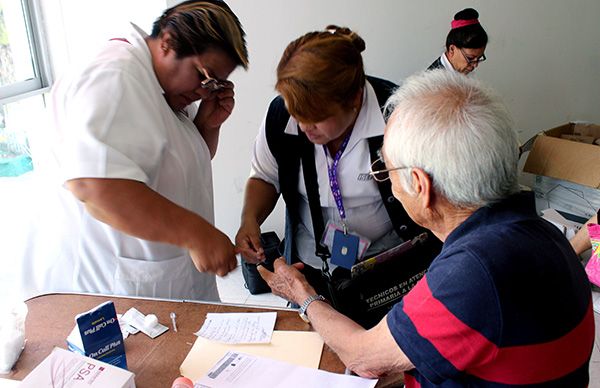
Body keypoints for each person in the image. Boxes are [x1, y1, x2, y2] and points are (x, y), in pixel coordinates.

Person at [257, 70, 595, 386]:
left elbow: (363, 356)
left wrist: (302, 293)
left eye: (385, 168)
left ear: (420, 185)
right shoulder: (542, 233)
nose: (387, 181)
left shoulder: (471, 275)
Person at [19, 0, 249, 302]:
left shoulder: (166, 89)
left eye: (217, 83)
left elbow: (175, 174)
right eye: (203, 76)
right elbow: (94, 186)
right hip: (106, 290)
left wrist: (206, 126)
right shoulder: (115, 76)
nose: (205, 90)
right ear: (167, 42)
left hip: (160, 284)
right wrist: (196, 233)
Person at [235, 26, 435, 300]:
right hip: (313, 261)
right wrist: (250, 219)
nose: (304, 127)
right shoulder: (281, 116)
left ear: (354, 99)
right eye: (297, 114)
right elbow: (266, 177)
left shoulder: (399, 115)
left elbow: (432, 197)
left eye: (316, 117)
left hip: (390, 262)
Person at [428, 8, 487, 74]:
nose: (475, 65)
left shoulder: (459, 71)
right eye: (470, 58)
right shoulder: (434, 81)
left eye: (479, 58)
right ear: (452, 49)